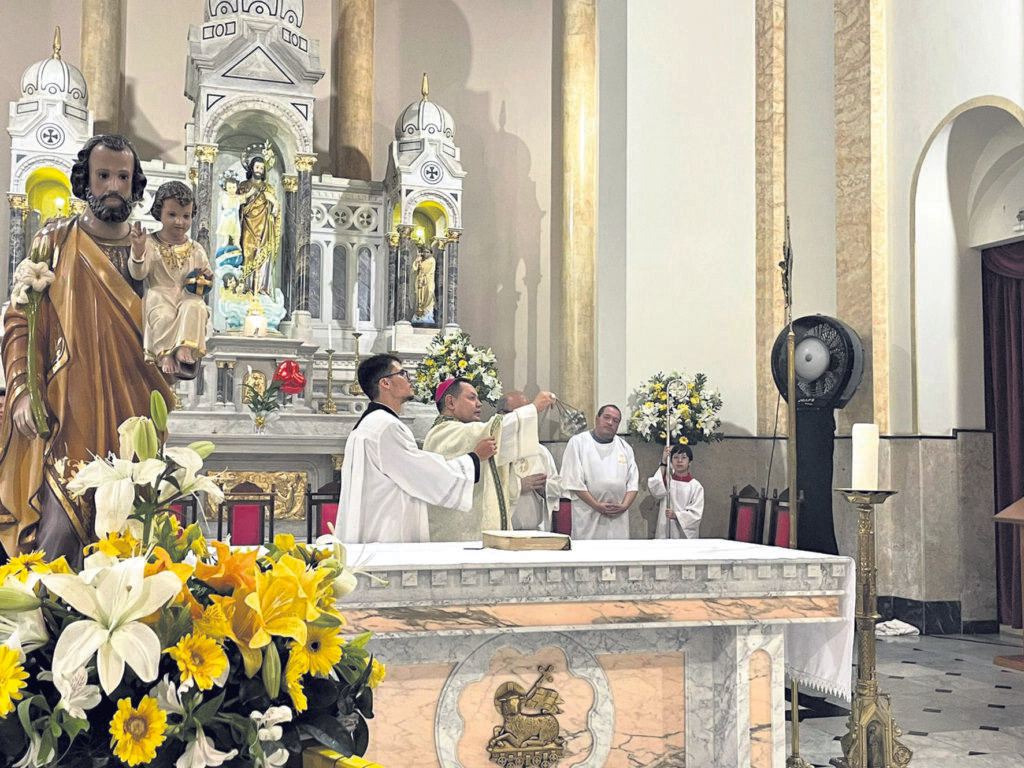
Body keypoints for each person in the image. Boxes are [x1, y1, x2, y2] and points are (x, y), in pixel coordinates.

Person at [0, 134, 175, 562]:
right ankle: (49, 625)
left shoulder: (152, 252)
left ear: (135, 185)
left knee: (132, 534)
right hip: (67, 410)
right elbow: (21, 319)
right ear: (85, 181)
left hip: (134, 411)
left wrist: (182, 356)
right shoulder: (53, 242)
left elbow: (171, 320)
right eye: (103, 176)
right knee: (57, 532)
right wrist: (23, 390)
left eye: (123, 176)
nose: (113, 186)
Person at [338, 354, 497, 543]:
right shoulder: (386, 427)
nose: (409, 379)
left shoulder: (369, 424)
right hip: (386, 535)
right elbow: (423, 475)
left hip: (372, 529)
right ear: (385, 383)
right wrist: (474, 459)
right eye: (402, 374)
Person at [423, 378, 556, 541]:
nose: (479, 404)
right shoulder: (445, 433)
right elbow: (497, 430)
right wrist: (534, 408)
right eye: (471, 398)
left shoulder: (457, 431)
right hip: (458, 536)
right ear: (450, 402)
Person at [129, 181, 212, 378]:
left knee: (197, 307)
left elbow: (205, 276)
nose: (179, 222)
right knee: (162, 314)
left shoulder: (196, 249)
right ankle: (165, 354)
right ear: (159, 213)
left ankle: (185, 347)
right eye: (172, 215)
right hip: (160, 293)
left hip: (186, 296)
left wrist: (207, 278)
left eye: (185, 216)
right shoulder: (149, 242)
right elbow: (138, 274)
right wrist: (138, 251)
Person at [560, 404, 639, 539]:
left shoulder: (625, 448)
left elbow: (633, 483)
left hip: (618, 518)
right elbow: (573, 481)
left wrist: (625, 505)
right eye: (606, 418)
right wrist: (596, 505)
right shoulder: (578, 443)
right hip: (588, 515)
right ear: (597, 418)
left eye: (615, 421)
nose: (610, 423)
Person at [497, 391, 563, 531]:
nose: (528, 420)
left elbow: (557, 487)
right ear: (503, 416)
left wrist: (544, 488)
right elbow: (486, 490)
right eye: (522, 415)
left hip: (537, 531)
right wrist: (519, 486)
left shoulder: (541, 451)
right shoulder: (494, 451)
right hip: (504, 531)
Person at [237, 155, 279, 295]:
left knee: (262, 254)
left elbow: (276, 209)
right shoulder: (243, 185)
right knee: (247, 252)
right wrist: (250, 193)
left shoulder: (268, 188)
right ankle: (245, 287)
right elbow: (235, 204)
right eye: (257, 167)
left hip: (264, 227)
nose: (259, 170)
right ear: (251, 168)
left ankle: (260, 288)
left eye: (262, 168)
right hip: (247, 224)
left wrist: (275, 204)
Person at [647, 444, 704, 539]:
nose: (679, 461)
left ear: (690, 462)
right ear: (671, 461)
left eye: (684, 457)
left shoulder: (695, 486)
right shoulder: (667, 481)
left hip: (684, 533)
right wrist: (664, 461)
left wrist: (677, 515)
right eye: (676, 457)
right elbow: (655, 489)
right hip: (665, 527)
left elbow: (696, 514)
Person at [412, 244, 436, 321]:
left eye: (427, 252)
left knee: (430, 292)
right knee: (419, 295)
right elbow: (414, 269)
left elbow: (432, 271)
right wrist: (416, 261)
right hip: (419, 280)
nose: (425, 254)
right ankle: (420, 310)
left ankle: (427, 310)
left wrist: (425, 277)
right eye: (424, 252)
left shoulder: (432, 260)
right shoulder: (421, 260)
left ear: (430, 253)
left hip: (428, 279)